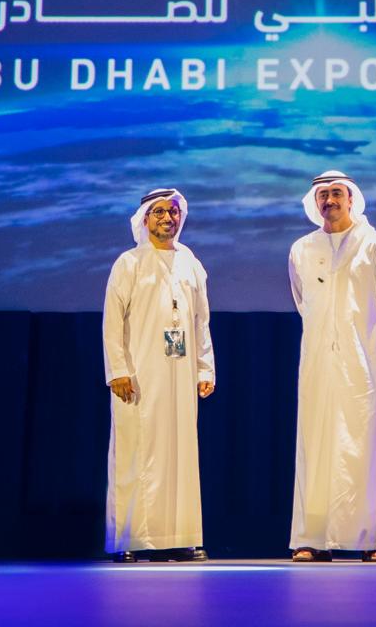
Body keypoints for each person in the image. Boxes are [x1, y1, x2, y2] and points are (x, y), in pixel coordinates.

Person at [288, 170, 376, 563]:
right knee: (316, 444)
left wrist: (360, 338)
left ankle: (373, 538)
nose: (329, 201)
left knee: (366, 446)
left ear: (351, 198)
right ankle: (312, 538)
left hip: (362, 361)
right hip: (319, 359)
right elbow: (303, 301)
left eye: (337, 193)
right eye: (323, 195)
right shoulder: (302, 249)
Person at [102, 187, 215, 562]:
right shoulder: (129, 263)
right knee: (136, 452)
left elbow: (201, 320)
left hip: (180, 375)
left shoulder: (191, 262)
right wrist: (118, 369)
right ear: (145, 219)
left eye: (173, 212)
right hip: (139, 376)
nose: (168, 218)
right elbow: (112, 322)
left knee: (181, 453)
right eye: (159, 212)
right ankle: (130, 539)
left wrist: (204, 366)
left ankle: (180, 537)